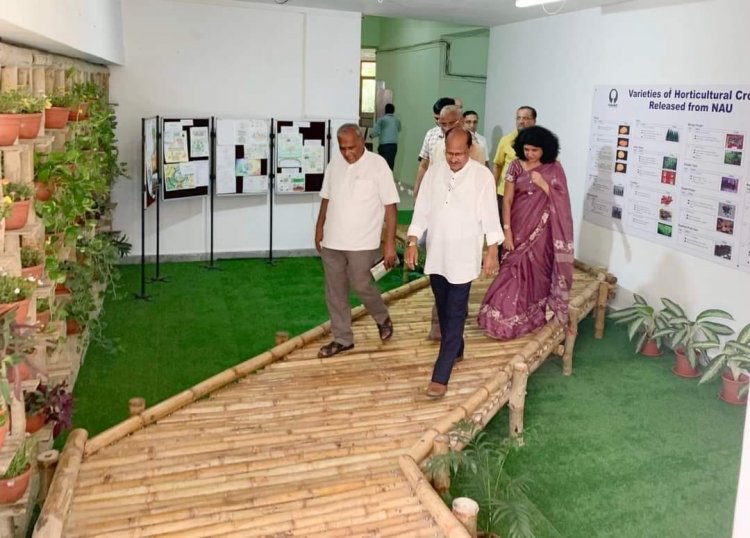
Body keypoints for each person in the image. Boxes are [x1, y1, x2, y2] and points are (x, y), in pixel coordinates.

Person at [405, 128, 502, 398]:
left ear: (470, 150)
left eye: (459, 154)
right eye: (449, 153)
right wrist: (412, 241)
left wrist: (492, 251)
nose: (454, 159)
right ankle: (456, 347)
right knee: (444, 307)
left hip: (463, 256)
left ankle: (441, 374)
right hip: (437, 254)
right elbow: (421, 210)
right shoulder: (434, 173)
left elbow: (490, 216)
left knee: (456, 311)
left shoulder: (482, 176)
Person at [478, 125, 574, 340]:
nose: (530, 154)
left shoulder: (553, 168)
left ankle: (529, 317)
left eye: (535, 150)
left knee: (536, 275)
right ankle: (500, 319)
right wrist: (507, 232)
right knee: (510, 273)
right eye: (527, 149)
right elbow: (508, 201)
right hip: (518, 227)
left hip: (542, 234)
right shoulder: (515, 166)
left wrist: (544, 185)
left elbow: (562, 200)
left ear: (545, 150)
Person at [315, 124, 400, 358]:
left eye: (351, 147)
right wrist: (319, 226)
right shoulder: (334, 165)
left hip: (363, 241)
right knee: (335, 291)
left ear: (362, 140)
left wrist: (389, 243)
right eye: (342, 148)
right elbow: (326, 198)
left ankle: (382, 317)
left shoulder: (378, 165)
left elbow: (391, 206)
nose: (347, 153)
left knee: (362, 284)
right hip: (333, 239)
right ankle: (342, 338)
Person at [492, 106, 537, 223]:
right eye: (519, 118)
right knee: (503, 230)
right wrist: (491, 190)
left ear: (534, 121)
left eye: (526, 118)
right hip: (504, 193)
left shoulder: (540, 143)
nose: (521, 121)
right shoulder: (506, 140)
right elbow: (497, 165)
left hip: (527, 196)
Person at [414, 97, 456, 199]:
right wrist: (417, 189)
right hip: (435, 191)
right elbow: (424, 165)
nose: (439, 122)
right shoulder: (431, 135)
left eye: (442, 119)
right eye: (436, 119)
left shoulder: (467, 139)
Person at [370, 103, 401, 171]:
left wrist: (371, 136)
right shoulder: (397, 121)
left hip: (384, 146)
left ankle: (382, 180)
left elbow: (376, 132)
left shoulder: (381, 120)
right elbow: (399, 129)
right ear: (393, 111)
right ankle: (389, 179)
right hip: (394, 146)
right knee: (391, 164)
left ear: (385, 110)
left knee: (382, 164)